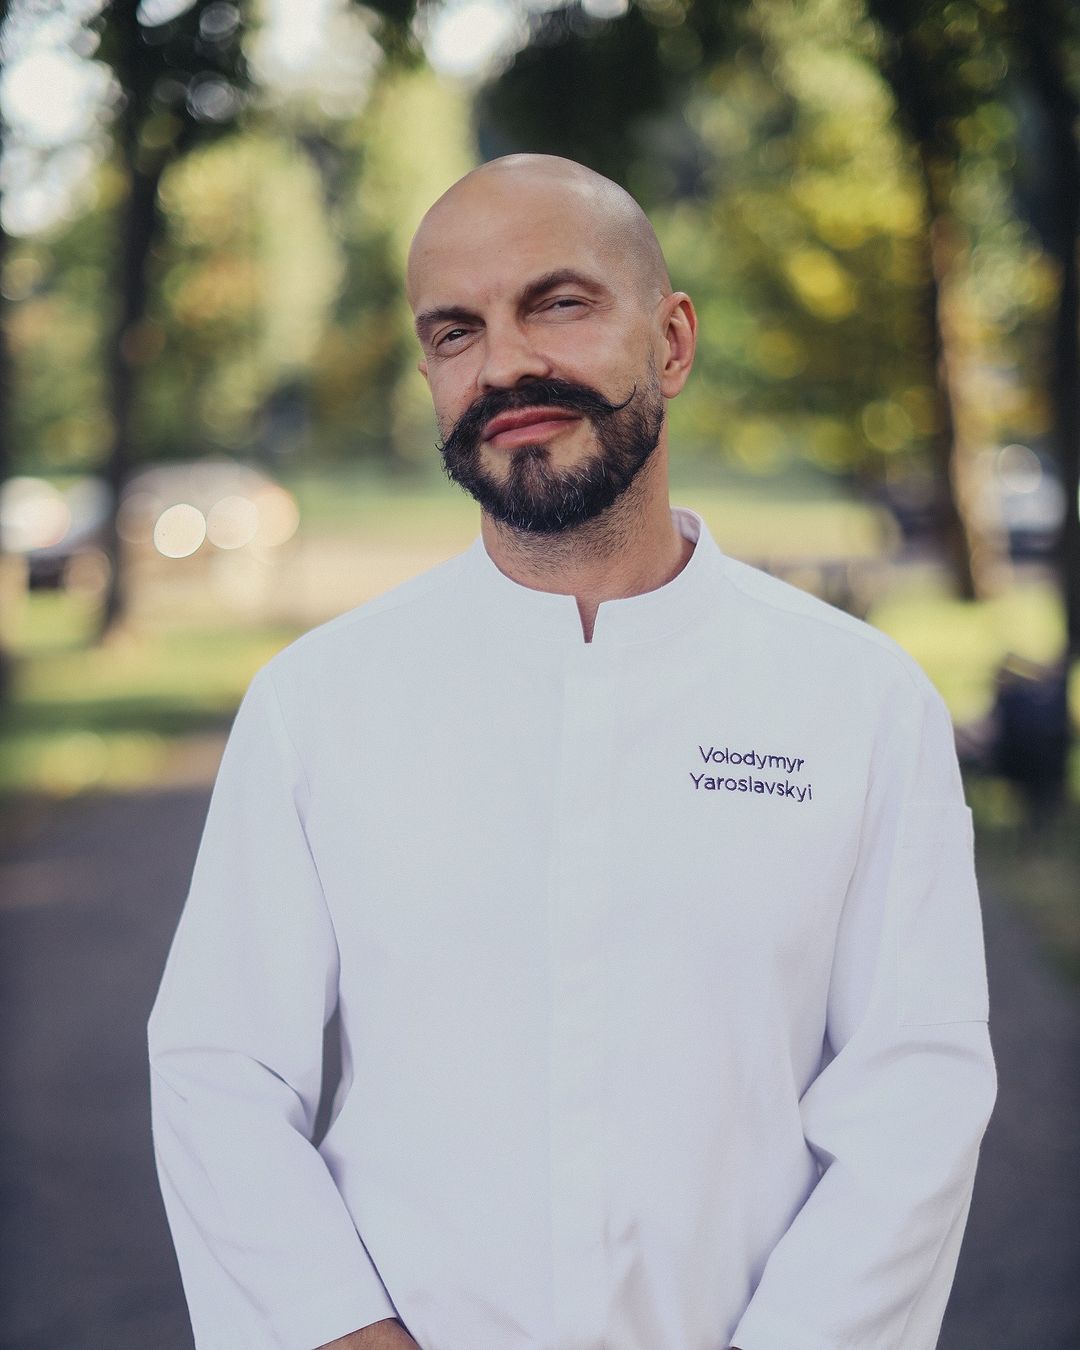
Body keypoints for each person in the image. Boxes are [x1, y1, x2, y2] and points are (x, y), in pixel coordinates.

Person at [148, 154, 996, 1350]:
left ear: (672, 340)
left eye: (557, 303)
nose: (503, 365)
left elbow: (915, 1089)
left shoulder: (860, 701)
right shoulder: (316, 704)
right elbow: (219, 1071)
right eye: (456, 330)